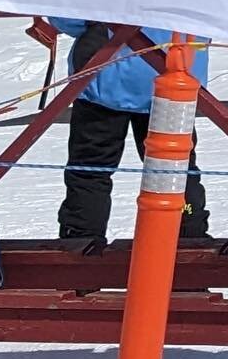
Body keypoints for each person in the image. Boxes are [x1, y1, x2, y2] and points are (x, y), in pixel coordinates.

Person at [50, 18, 210, 242]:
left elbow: (66, 16)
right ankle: (189, 230)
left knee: (91, 168)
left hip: (106, 73)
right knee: (176, 167)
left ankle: (81, 238)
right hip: (177, 70)